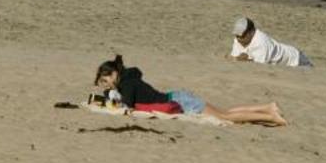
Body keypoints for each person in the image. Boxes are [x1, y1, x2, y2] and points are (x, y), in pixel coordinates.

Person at [93, 56, 284, 126]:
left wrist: (110, 96)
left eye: (105, 80)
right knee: (225, 112)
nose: (106, 84)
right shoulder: (130, 77)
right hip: (178, 96)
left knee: (225, 117)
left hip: (180, 102)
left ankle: (271, 117)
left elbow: (126, 106)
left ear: (114, 73)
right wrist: (109, 93)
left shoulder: (127, 85)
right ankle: (268, 107)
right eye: (102, 82)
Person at [228, 17, 311, 67]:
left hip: (297, 60)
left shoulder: (261, 42)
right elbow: (234, 57)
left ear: (251, 32)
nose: (238, 38)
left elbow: (259, 66)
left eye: (241, 36)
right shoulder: (238, 39)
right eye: (236, 35)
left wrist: (243, 59)